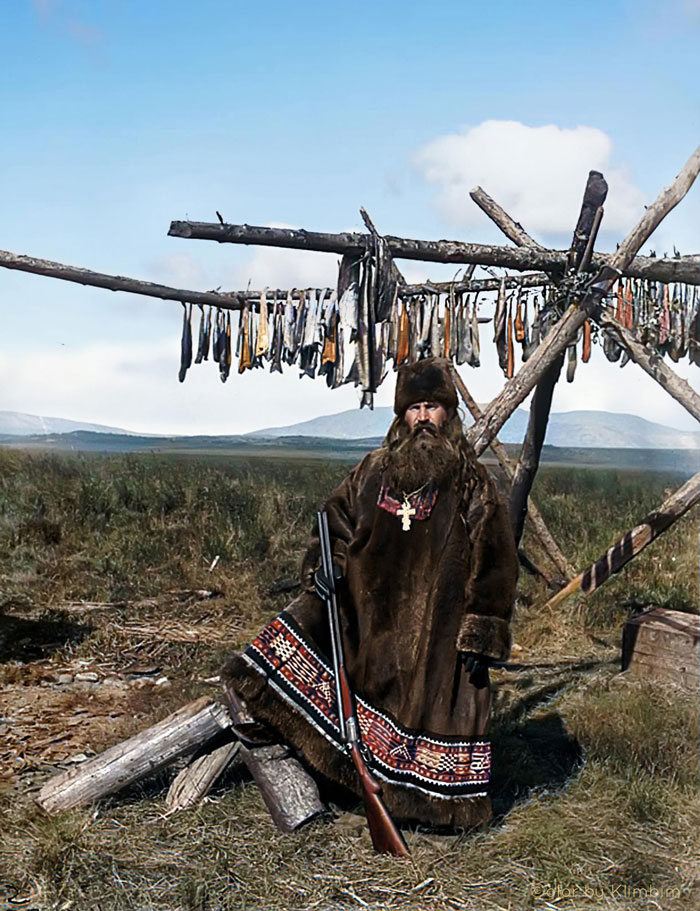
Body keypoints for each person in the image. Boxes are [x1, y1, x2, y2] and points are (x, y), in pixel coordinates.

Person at [221, 357, 518, 831]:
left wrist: (482, 626)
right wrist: (324, 569)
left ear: (449, 414)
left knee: (437, 705)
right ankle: (343, 773)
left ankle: (427, 806)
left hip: (437, 630)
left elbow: (496, 558)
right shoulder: (372, 471)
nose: (424, 417)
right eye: (415, 408)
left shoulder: (472, 482)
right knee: (311, 624)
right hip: (370, 618)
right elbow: (335, 524)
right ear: (402, 416)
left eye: (433, 406)